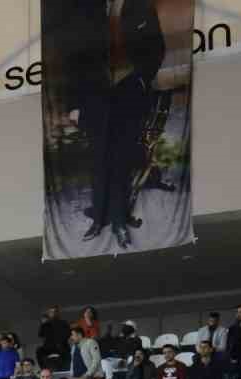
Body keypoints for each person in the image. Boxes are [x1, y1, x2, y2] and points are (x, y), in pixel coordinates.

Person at [50, 0, 163, 250]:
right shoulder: (85, 9)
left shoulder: (140, 6)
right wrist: (73, 105)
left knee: (121, 159)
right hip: (95, 98)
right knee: (100, 161)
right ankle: (100, 219)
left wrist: (143, 79)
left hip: (129, 93)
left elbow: (157, 48)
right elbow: (72, 61)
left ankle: (119, 222)